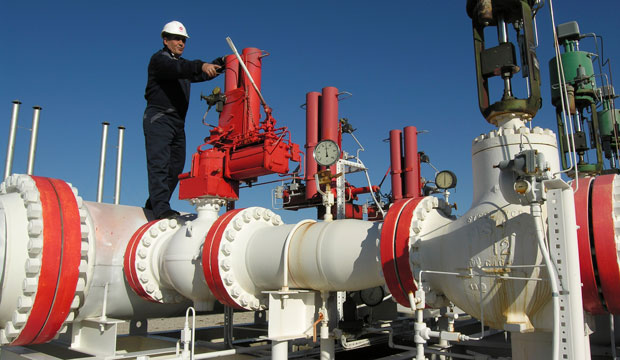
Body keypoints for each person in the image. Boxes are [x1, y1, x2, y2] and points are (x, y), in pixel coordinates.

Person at [143, 20, 224, 219]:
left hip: (177, 123)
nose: (181, 43)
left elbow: (197, 74)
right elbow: (183, 68)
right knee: (159, 164)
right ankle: (161, 209)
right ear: (165, 40)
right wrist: (201, 65)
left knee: (176, 166)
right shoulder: (160, 61)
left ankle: (152, 204)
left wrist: (221, 63)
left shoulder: (180, 66)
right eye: (177, 39)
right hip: (159, 118)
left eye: (183, 40)